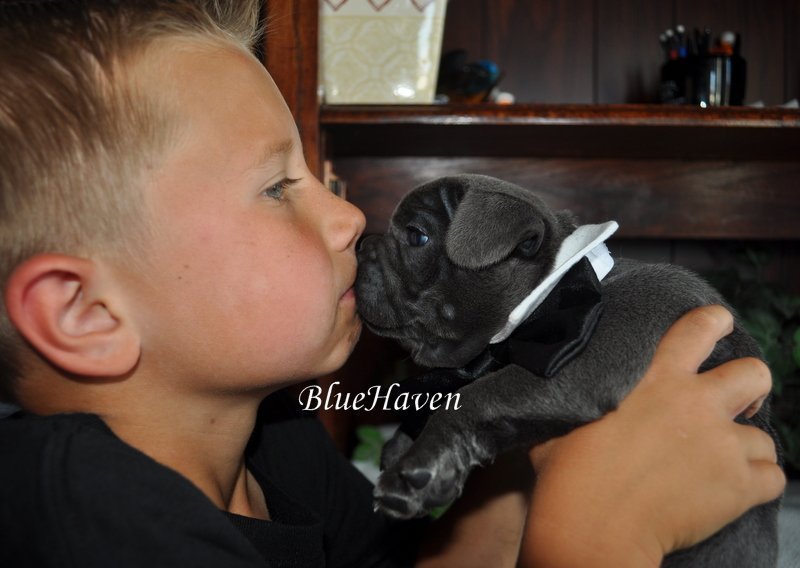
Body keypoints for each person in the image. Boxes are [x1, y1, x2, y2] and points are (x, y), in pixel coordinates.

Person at [0, 1, 784, 566]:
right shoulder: (85, 518)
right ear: (85, 313)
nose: (349, 218)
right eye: (277, 187)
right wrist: (599, 536)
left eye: (322, 179)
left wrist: (540, 435)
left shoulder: (274, 444)